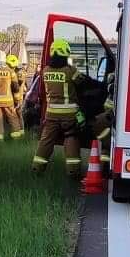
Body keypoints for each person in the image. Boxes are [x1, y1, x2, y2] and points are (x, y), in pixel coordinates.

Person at [33, 39, 91, 178]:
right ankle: (73, 171)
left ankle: (37, 168)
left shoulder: (45, 70)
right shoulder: (70, 71)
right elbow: (84, 84)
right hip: (70, 114)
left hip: (51, 113)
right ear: (65, 53)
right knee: (71, 138)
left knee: (46, 140)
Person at [0, 53, 24, 141]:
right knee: (13, 119)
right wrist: (17, 100)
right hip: (8, 101)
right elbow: (15, 87)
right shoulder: (10, 71)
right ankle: (16, 141)